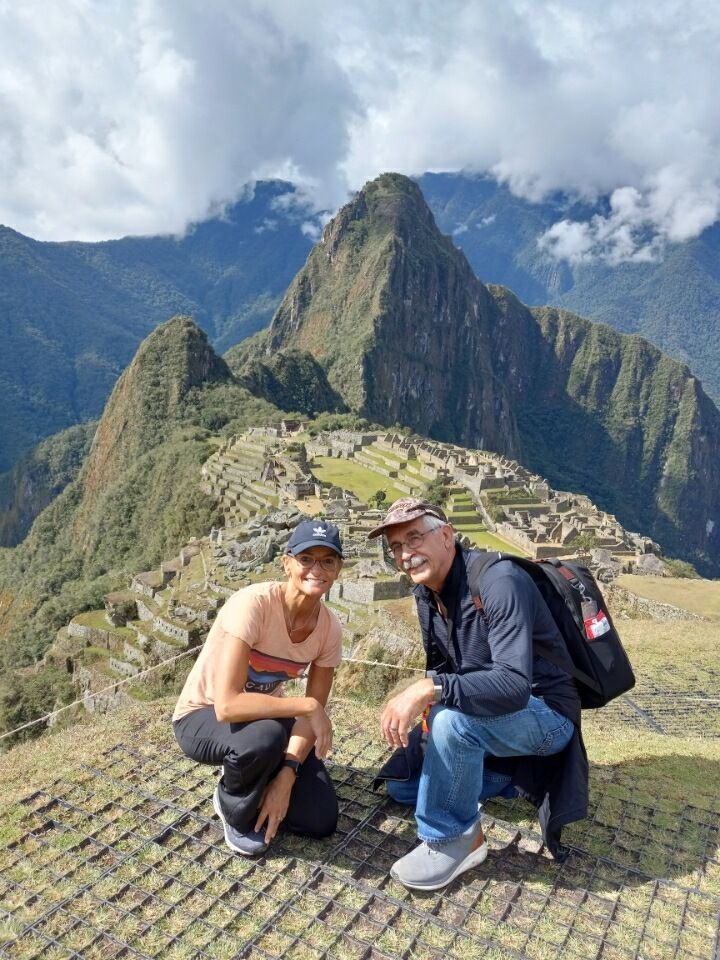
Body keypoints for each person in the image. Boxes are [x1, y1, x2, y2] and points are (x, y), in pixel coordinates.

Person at [368, 498, 588, 891]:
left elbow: (512, 685)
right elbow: (442, 666)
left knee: (451, 722)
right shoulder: (428, 595)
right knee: (403, 787)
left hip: (546, 714)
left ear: (447, 535)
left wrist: (429, 691)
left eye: (414, 538)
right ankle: (508, 778)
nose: (405, 554)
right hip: (492, 714)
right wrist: (430, 700)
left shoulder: (498, 581)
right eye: (396, 547)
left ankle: (454, 838)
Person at [172, 519, 344, 856]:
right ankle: (232, 803)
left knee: (319, 820)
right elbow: (228, 707)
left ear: (338, 569)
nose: (316, 569)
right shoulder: (253, 605)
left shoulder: (328, 629)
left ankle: (262, 773)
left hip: (264, 721)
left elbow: (310, 718)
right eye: (306, 559)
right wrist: (306, 706)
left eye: (328, 561)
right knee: (263, 738)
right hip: (203, 716)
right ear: (287, 562)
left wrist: (288, 774)